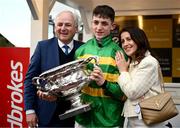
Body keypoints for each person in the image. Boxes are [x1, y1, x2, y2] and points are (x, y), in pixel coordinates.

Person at [24, 10, 83, 127]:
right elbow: (30, 80)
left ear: (76, 28)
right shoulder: (43, 47)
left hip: (77, 115)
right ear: (55, 28)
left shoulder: (83, 48)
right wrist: (29, 110)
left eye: (68, 25)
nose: (63, 28)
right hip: (47, 116)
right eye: (60, 24)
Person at [74, 5, 126, 127]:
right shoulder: (81, 51)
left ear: (112, 26)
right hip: (85, 119)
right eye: (96, 22)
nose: (99, 27)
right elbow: (75, 87)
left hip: (110, 121)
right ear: (91, 23)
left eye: (104, 23)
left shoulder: (119, 54)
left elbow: (124, 94)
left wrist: (104, 82)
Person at [115, 27, 164, 128]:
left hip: (146, 120)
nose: (125, 44)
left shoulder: (148, 62)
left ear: (139, 39)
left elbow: (132, 92)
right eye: (122, 41)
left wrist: (123, 71)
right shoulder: (134, 63)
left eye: (129, 39)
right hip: (137, 119)